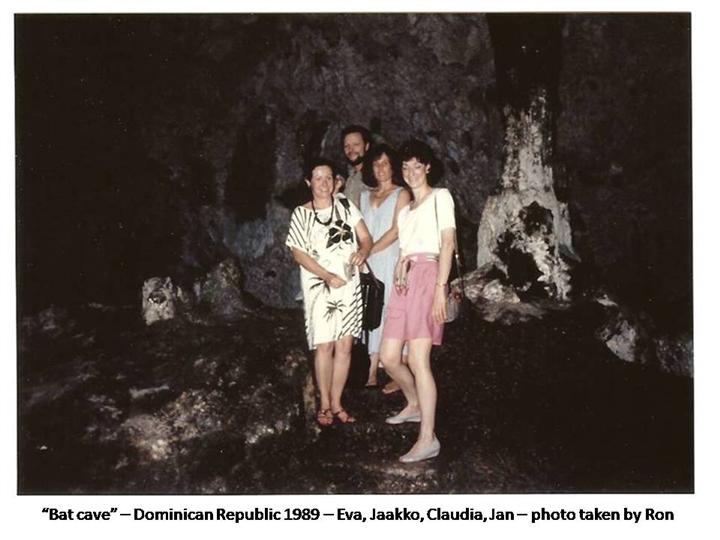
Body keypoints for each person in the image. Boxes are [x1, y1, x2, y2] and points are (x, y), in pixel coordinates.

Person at [379, 139, 456, 463]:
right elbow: (403, 249)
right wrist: (399, 266)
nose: (410, 172)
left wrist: (440, 288)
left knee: (419, 359)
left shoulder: (441, 197)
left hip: (428, 277)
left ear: (427, 167)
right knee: (389, 357)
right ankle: (413, 404)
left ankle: (428, 438)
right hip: (404, 281)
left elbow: (448, 243)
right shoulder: (405, 211)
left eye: (416, 166)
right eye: (405, 167)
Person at [286, 158, 373, 427]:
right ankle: (324, 403)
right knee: (324, 345)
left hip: (348, 284)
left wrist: (363, 252)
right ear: (308, 182)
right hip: (319, 285)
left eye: (328, 178)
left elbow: (366, 238)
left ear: (335, 181)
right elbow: (298, 253)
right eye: (318, 178)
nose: (324, 183)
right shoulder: (301, 214)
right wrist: (325, 275)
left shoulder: (345, 205)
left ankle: (337, 403)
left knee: (345, 345)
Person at [359, 143, 411, 390]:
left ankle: (397, 367)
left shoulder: (402, 194)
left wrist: (369, 250)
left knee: (389, 308)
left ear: (393, 167)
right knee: (369, 310)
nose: (380, 168)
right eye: (376, 163)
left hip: (389, 259)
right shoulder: (363, 196)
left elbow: (396, 230)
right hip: (367, 262)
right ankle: (370, 368)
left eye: (385, 163)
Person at [340, 125, 371, 209]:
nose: (351, 149)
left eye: (356, 144)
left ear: (366, 146)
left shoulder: (375, 175)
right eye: (347, 146)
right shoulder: (349, 177)